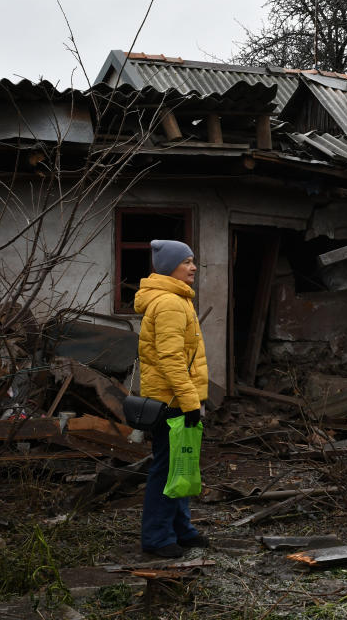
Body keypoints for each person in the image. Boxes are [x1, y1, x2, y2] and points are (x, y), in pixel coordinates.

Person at [134, 239, 209, 558]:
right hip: (171, 402)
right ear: (170, 268)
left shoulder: (178, 300)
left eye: (193, 262)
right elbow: (171, 359)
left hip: (178, 399)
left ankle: (181, 529)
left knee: (182, 466)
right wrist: (192, 403)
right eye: (187, 262)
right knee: (167, 470)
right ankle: (157, 537)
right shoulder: (169, 304)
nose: (193, 267)